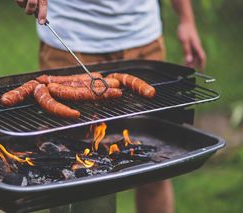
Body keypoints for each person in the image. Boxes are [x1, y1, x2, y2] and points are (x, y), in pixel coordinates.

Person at [15, 0, 206, 212]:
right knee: (71, 174)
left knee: (155, 168)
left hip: (143, 40)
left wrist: (186, 19)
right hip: (69, 41)